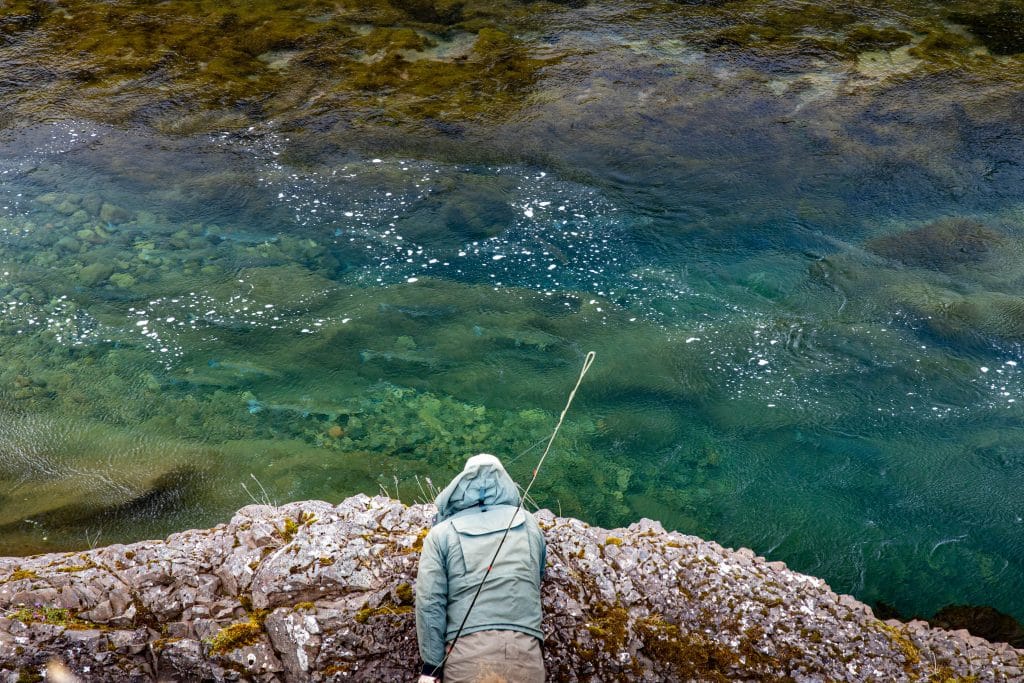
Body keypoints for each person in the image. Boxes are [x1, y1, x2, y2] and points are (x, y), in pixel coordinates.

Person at [415, 453, 547, 683]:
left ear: (460, 486)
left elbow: (429, 602)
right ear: (505, 484)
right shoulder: (529, 524)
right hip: (526, 654)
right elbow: (538, 575)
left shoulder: (440, 534)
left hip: (466, 657)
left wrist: (431, 667)